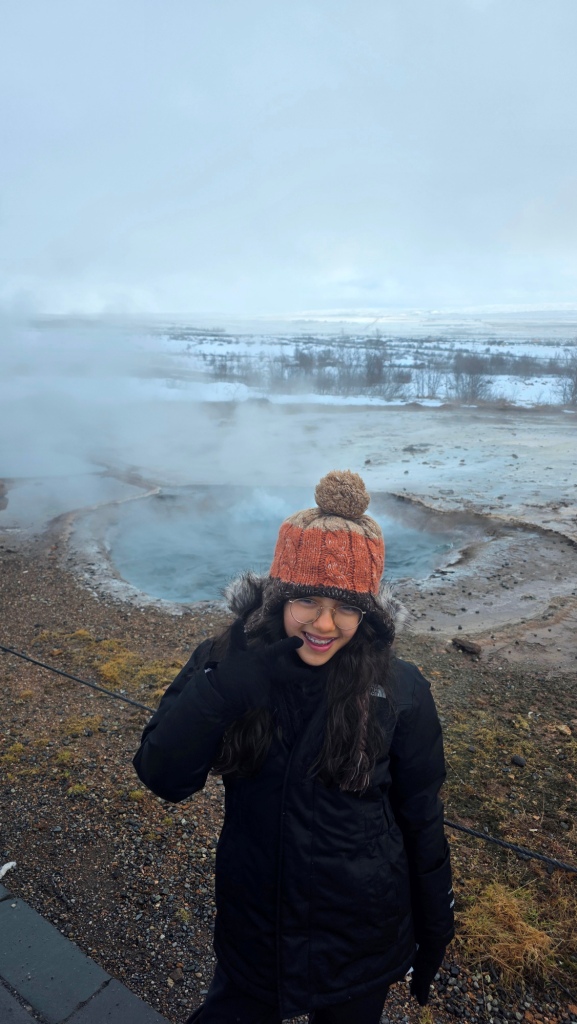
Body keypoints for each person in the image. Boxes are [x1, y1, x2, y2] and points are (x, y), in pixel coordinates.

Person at [133, 470, 454, 1023]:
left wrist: (434, 930)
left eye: (347, 606)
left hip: (361, 936)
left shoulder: (400, 690)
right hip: (258, 923)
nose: (324, 624)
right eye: (306, 598)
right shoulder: (226, 662)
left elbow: (421, 817)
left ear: (368, 613)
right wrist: (226, 690)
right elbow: (163, 775)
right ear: (277, 596)